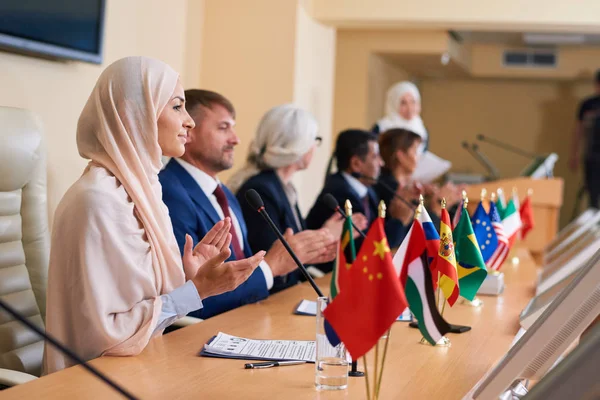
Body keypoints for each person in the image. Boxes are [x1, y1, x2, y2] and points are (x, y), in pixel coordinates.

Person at [44, 57, 264, 374]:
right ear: (134, 114)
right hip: (97, 380)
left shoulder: (144, 191)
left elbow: (147, 316)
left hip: (145, 365)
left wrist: (189, 278)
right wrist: (198, 290)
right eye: (177, 107)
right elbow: (108, 338)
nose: (189, 121)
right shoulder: (98, 200)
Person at [160, 91, 336, 313]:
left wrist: (286, 262)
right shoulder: (169, 192)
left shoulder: (224, 193)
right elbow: (189, 295)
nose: (236, 139)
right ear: (189, 131)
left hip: (250, 316)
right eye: (223, 128)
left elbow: (245, 273)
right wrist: (271, 266)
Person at [230, 105, 353, 291]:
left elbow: (290, 252)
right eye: (315, 140)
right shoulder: (261, 189)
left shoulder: (283, 186)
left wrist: (322, 238)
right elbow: (271, 259)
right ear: (299, 145)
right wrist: (323, 235)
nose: (314, 147)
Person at [306, 129, 414, 271]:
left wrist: (397, 213)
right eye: (375, 157)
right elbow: (368, 250)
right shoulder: (340, 194)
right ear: (356, 164)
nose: (381, 163)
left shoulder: (367, 190)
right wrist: (399, 221)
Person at [376, 128, 461, 226]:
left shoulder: (401, 185)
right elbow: (414, 233)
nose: (419, 157)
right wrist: (438, 205)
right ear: (401, 156)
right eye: (415, 151)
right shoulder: (389, 189)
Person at [570, 69, 600, 208]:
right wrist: (574, 154)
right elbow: (578, 131)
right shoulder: (587, 105)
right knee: (592, 193)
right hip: (591, 157)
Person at [372, 81, 429, 154]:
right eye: (403, 103)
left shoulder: (422, 130)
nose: (410, 108)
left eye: (413, 102)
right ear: (394, 104)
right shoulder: (381, 127)